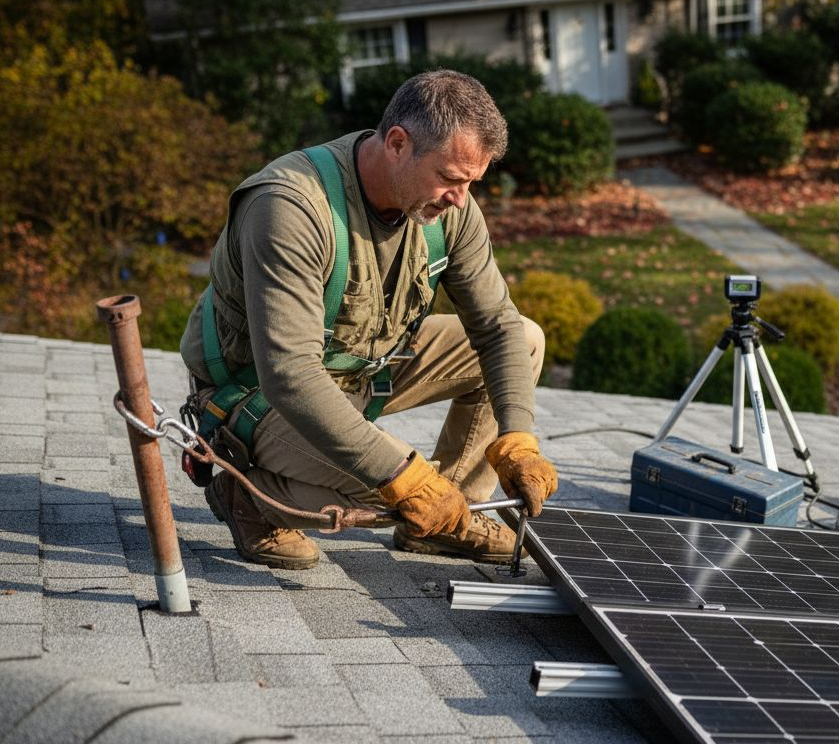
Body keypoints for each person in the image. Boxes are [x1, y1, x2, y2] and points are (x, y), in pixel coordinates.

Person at [179, 71, 557, 570]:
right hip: (258, 397)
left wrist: (519, 438)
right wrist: (403, 475)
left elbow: (498, 327)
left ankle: (448, 522)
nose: (461, 199)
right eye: (450, 178)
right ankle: (248, 498)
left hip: (362, 368)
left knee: (525, 338)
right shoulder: (290, 206)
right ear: (398, 143)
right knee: (397, 490)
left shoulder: (447, 208)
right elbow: (291, 375)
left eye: (471, 182)